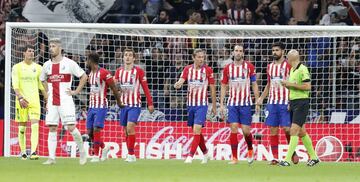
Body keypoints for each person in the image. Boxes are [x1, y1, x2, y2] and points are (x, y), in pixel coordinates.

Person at [40, 38, 88, 165]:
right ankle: (51, 158)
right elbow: (42, 79)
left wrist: (76, 91)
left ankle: (82, 151)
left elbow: (84, 76)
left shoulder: (69, 63)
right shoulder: (46, 65)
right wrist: (48, 93)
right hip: (52, 101)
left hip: (65, 100)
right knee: (52, 127)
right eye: (50, 46)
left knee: (71, 127)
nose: (51, 48)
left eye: (54, 46)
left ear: (60, 48)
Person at [256, 42, 299, 165]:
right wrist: (261, 98)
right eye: (273, 50)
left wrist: (292, 100)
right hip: (272, 103)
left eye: (277, 50)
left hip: (285, 102)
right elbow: (268, 85)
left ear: (283, 52)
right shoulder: (269, 67)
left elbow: (294, 84)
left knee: (287, 129)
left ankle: (292, 152)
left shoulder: (289, 66)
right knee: (273, 130)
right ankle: (275, 158)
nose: (274, 52)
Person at [174, 48, 216, 164]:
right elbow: (182, 79)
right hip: (190, 104)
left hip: (202, 104)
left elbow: (212, 88)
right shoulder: (188, 69)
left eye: (202, 57)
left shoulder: (208, 70)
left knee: (197, 129)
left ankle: (190, 156)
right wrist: (178, 83)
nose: (201, 59)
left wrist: (213, 105)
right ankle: (206, 154)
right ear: (193, 58)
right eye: (198, 57)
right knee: (196, 131)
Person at [220, 45, 260, 165]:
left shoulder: (249, 67)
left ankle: (250, 150)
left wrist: (257, 100)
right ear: (233, 52)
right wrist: (221, 104)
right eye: (236, 51)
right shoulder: (227, 68)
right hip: (232, 103)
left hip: (246, 103)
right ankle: (234, 158)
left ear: (243, 53)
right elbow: (223, 86)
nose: (238, 53)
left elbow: (254, 84)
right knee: (233, 128)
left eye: (240, 51)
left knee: (246, 131)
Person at [279, 49, 319, 167]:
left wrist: (290, 84)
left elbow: (307, 86)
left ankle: (286, 160)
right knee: (301, 132)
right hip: (294, 103)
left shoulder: (303, 69)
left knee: (294, 131)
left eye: (287, 58)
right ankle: (314, 157)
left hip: (302, 103)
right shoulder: (292, 70)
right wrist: (287, 88)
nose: (286, 60)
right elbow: (294, 88)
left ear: (291, 59)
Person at [114, 48, 154, 163]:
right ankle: (129, 153)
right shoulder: (118, 71)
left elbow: (145, 88)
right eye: (125, 55)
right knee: (126, 130)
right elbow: (115, 88)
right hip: (123, 105)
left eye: (130, 55)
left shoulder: (139, 72)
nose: (127, 57)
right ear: (123, 57)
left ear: (134, 58)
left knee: (130, 127)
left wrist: (150, 103)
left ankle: (131, 154)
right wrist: (116, 87)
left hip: (135, 105)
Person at [11, 45, 47, 160]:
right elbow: (15, 85)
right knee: (22, 128)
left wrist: (47, 100)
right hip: (22, 101)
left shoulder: (38, 68)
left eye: (33, 51)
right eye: (29, 51)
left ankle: (33, 152)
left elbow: (41, 87)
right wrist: (20, 98)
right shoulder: (17, 67)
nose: (31, 53)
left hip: (35, 101)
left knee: (35, 126)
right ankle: (23, 152)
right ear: (24, 53)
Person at [86, 52, 123, 162]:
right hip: (91, 106)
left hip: (101, 105)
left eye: (87, 60)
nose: (85, 62)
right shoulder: (90, 74)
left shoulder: (104, 73)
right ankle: (104, 147)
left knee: (97, 128)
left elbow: (113, 88)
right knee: (89, 132)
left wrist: (119, 102)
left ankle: (96, 155)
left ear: (91, 61)